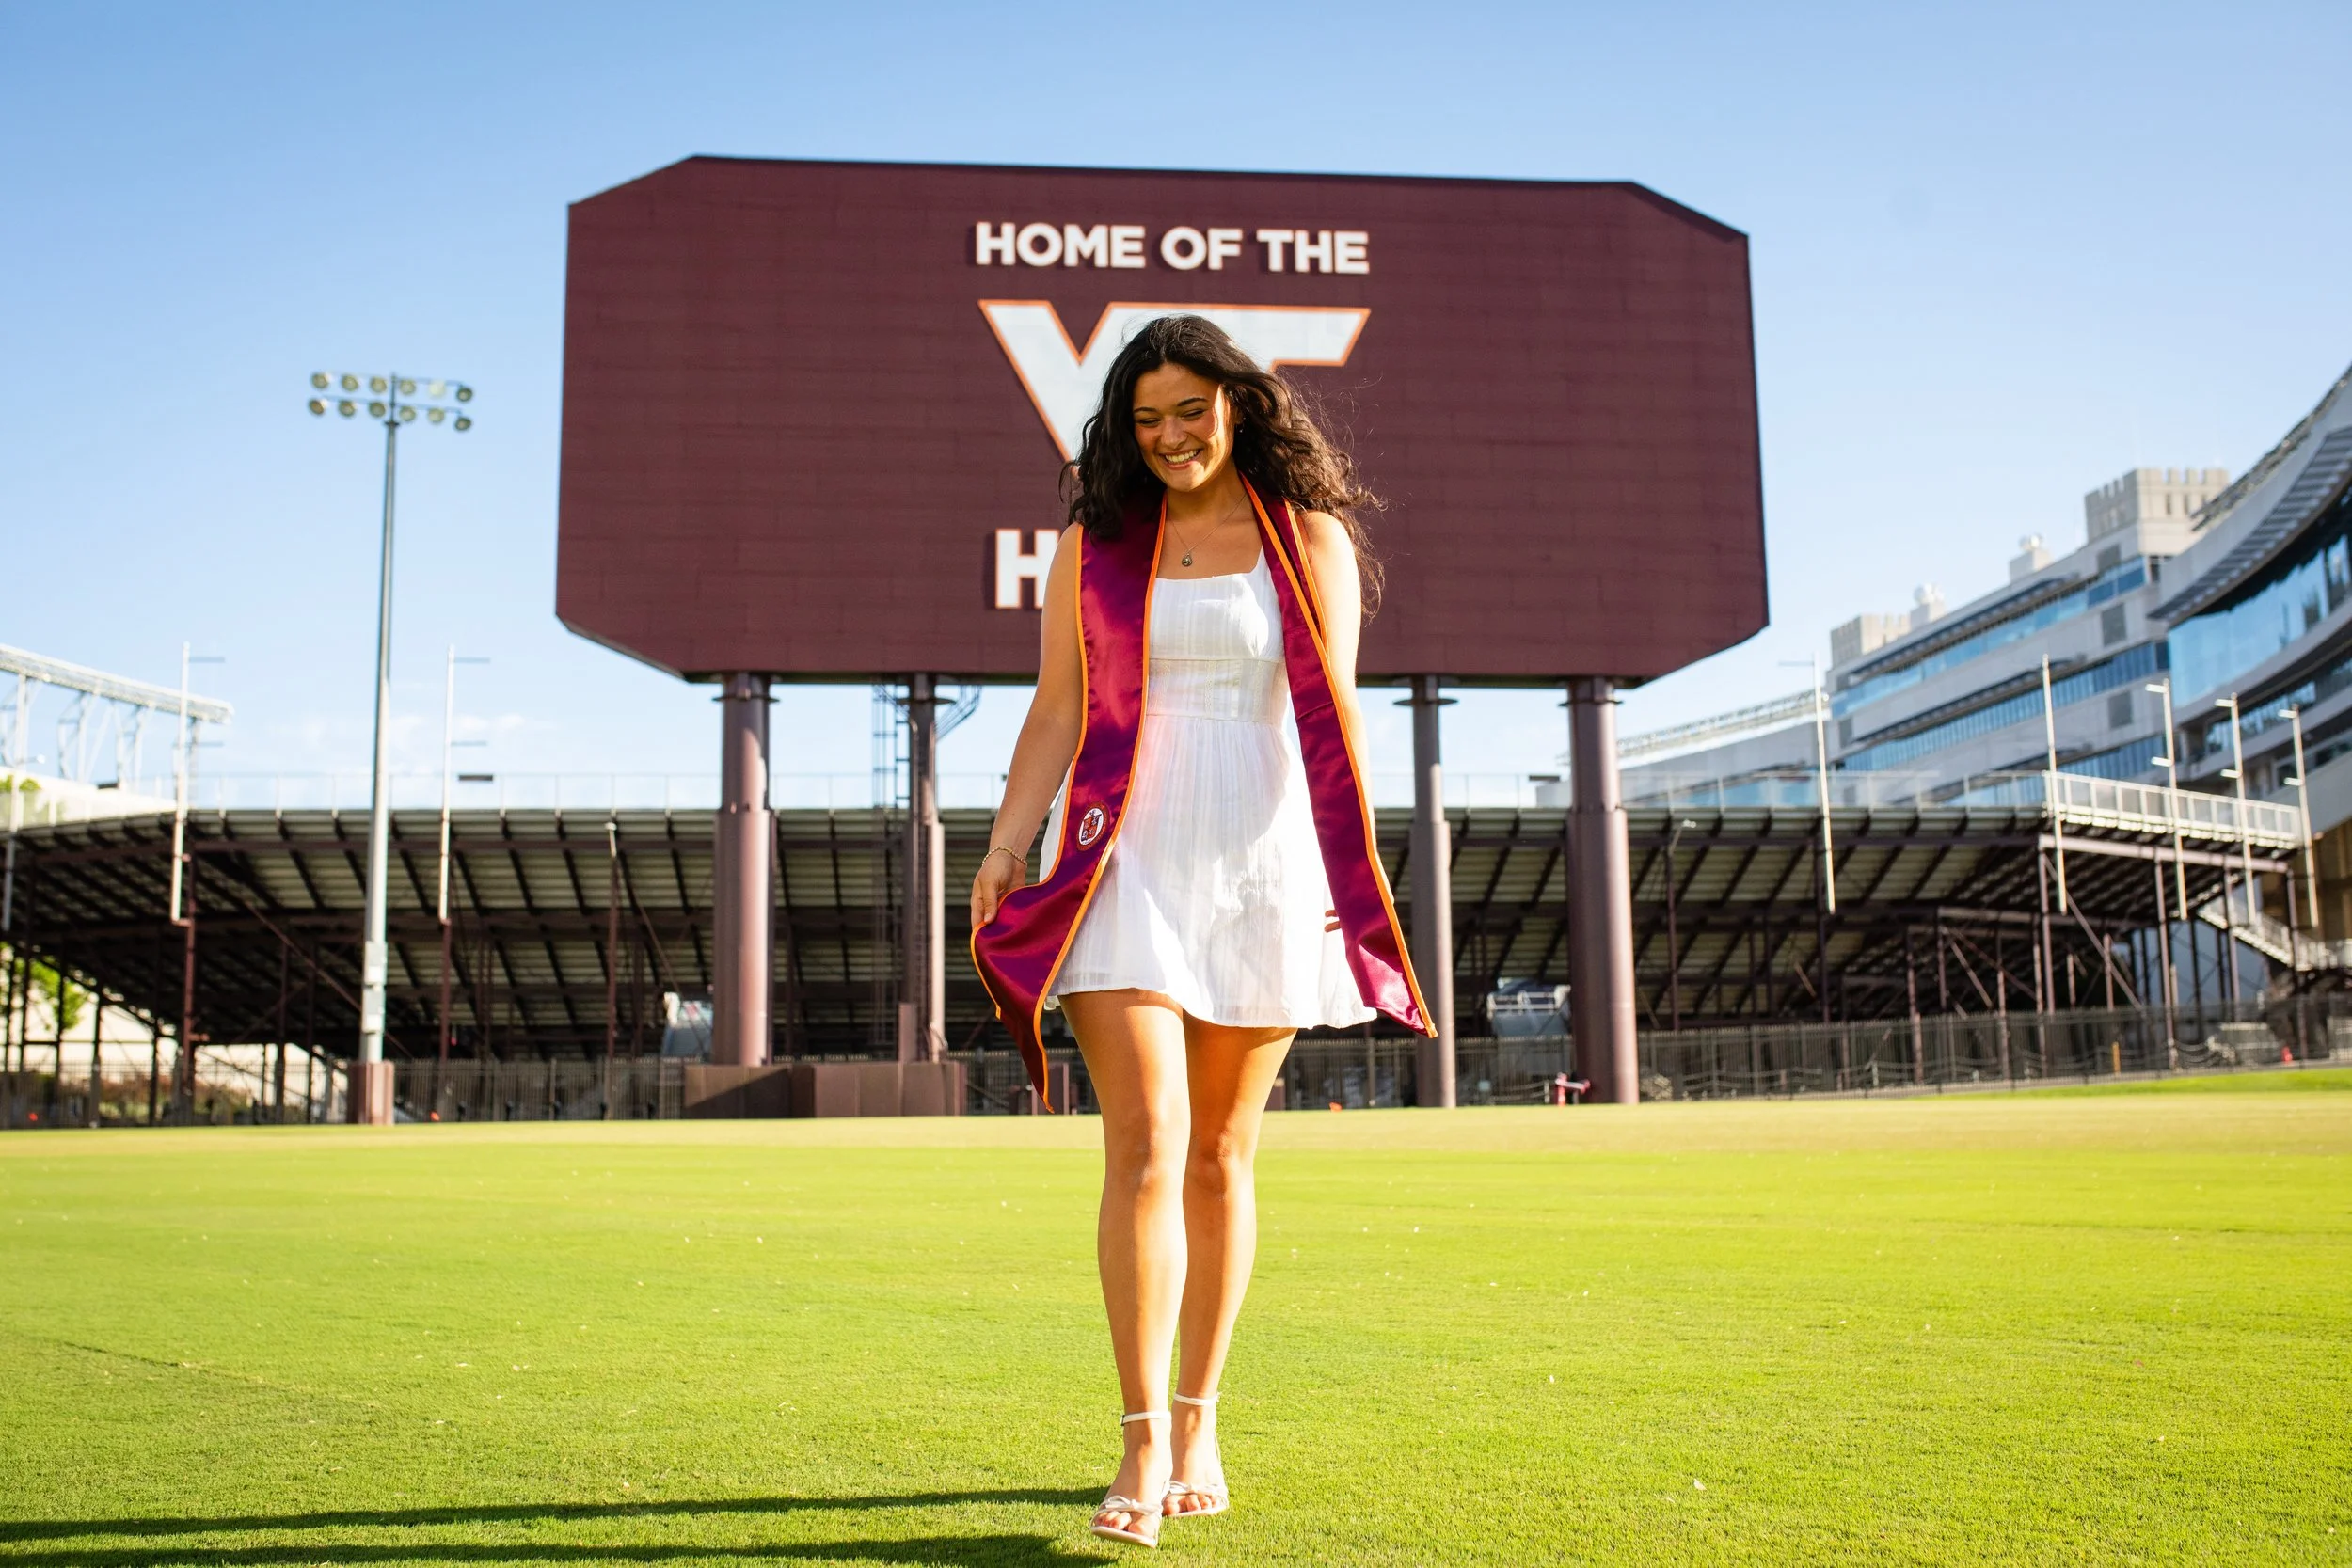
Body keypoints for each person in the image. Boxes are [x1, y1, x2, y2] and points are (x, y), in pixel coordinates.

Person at [969, 315, 1431, 1547]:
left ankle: (1198, 1416)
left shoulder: (1313, 542)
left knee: (1225, 1153)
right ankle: (1133, 1441)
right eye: (1146, 417)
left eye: (1191, 408)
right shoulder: (1096, 547)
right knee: (1147, 1140)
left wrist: (1353, 883)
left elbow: (1335, 722)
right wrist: (1009, 849)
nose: (1170, 436)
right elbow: (1055, 710)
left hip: (1261, 865)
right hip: (1121, 858)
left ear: (1239, 402)